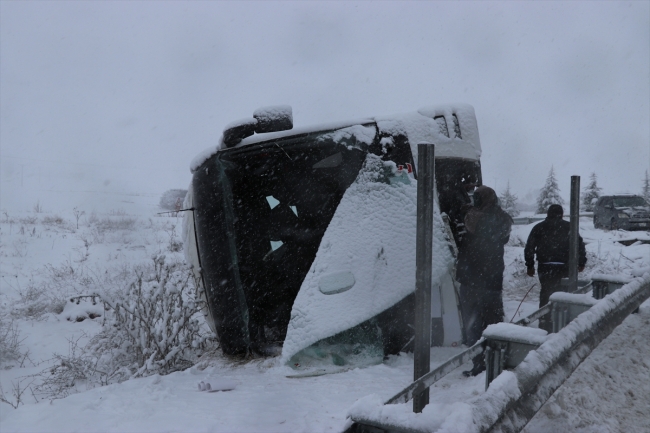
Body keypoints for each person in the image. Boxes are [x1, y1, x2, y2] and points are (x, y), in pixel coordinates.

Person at [456, 186, 513, 376]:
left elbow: (474, 227)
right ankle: (498, 362)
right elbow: (499, 235)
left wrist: (465, 212)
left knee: (473, 326)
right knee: (494, 323)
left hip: (471, 280)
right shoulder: (503, 218)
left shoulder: (473, 218)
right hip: (492, 280)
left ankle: (479, 364)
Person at [524, 204, 586, 332]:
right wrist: (581, 262)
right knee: (564, 293)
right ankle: (563, 323)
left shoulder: (539, 227)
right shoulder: (569, 227)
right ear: (562, 214)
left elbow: (529, 247)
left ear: (548, 213)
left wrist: (530, 265)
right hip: (565, 267)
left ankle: (544, 323)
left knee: (546, 293)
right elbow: (580, 246)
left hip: (545, 266)